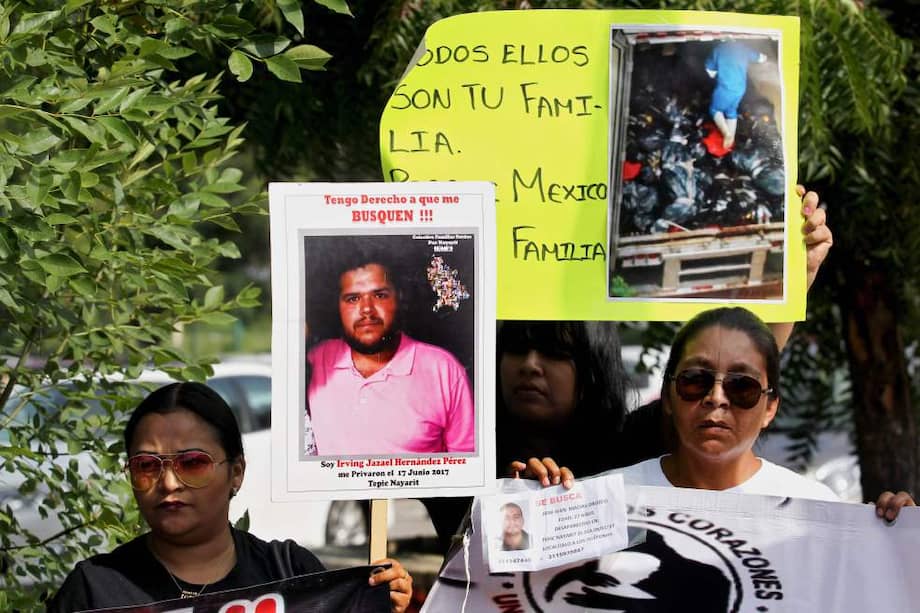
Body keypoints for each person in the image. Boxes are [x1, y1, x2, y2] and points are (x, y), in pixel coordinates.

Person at [423, 188, 833, 547]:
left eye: (553, 353)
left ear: (592, 366)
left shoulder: (627, 446)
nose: (530, 366)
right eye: (516, 349)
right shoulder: (458, 461)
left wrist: (795, 274)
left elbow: (733, 374)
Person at [47, 382, 413, 612]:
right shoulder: (95, 589)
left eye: (192, 463)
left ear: (236, 471)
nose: (169, 482)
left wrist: (379, 599)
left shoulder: (289, 572)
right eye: (147, 465)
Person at [519, 307, 916, 518]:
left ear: (770, 407)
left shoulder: (817, 508)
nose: (716, 398)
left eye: (742, 387)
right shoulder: (600, 500)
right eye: (695, 381)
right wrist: (530, 512)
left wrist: (896, 539)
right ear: (669, 396)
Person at [307, 256, 474, 455]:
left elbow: (466, 465)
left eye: (379, 295)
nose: (366, 309)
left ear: (400, 298)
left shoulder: (443, 370)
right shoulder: (315, 361)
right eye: (353, 299)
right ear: (338, 307)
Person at [706, 40, 767, 149]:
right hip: (740, 89)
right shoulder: (743, 48)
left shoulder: (718, 50)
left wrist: (715, 72)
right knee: (731, 111)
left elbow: (710, 71)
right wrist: (764, 58)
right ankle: (731, 139)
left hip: (726, 88)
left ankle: (727, 133)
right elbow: (761, 58)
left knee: (714, 109)